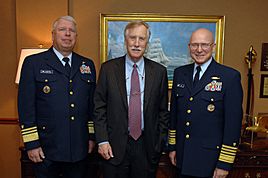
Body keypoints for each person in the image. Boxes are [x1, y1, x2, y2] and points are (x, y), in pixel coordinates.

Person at [18, 15, 96, 178]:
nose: (67, 34)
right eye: (62, 30)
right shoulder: (33, 63)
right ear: (53, 34)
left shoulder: (87, 65)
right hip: (46, 150)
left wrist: (91, 137)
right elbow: (26, 107)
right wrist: (32, 144)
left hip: (78, 149)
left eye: (72, 31)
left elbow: (91, 107)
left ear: (76, 36)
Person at [93, 21, 169, 178]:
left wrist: (158, 144)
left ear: (147, 42)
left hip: (146, 148)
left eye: (141, 39)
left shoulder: (159, 72)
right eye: (132, 38)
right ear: (125, 40)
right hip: (113, 147)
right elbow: (99, 107)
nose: (136, 43)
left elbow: (162, 112)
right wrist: (102, 140)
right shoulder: (108, 69)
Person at [168, 28, 243, 178]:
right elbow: (175, 116)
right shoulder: (180, 73)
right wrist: (172, 147)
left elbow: (232, 125)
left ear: (213, 47)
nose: (199, 50)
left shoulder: (229, 77)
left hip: (210, 161)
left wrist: (224, 163)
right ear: (189, 47)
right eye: (195, 45)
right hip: (182, 158)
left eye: (204, 45)